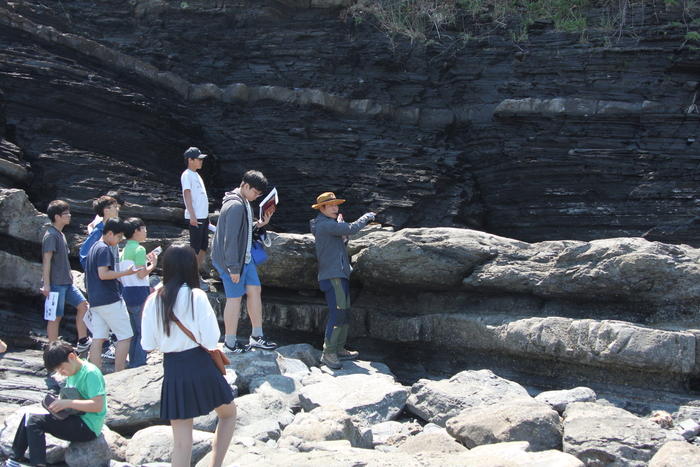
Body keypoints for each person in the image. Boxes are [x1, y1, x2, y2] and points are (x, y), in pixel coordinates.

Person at [141, 244, 237, 467]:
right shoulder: (197, 296)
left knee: (182, 443)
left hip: (173, 370)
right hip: (200, 364)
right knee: (228, 414)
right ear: (190, 267)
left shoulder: (153, 300)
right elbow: (211, 339)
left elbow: (147, 344)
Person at [4, 341, 106, 467]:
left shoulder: (90, 373)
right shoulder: (72, 371)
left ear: (72, 357)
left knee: (35, 422)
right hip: (75, 417)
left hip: (88, 426)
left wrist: (68, 403)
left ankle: (38, 464)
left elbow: (98, 405)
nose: (61, 373)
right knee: (28, 416)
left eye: (62, 369)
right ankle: (13, 460)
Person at [211, 171, 276, 353]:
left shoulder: (244, 202)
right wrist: (233, 268)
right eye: (255, 192)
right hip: (232, 261)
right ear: (246, 186)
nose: (256, 197)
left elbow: (243, 230)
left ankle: (257, 336)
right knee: (234, 298)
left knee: (255, 290)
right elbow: (229, 240)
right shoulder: (236, 205)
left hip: (244, 258)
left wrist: (260, 224)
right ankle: (230, 344)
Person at [310, 192, 375, 369]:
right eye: (330, 206)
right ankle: (328, 352)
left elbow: (337, 247)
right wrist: (366, 217)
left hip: (340, 274)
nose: (335, 208)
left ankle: (338, 348)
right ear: (321, 208)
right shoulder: (324, 224)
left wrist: (344, 240)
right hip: (332, 276)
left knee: (344, 312)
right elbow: (352, 228)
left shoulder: (328, 226)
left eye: (336, 205)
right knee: (338, 313)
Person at [84, 217, 137, 372]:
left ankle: (93, 374)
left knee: (98, 338)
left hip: (95, 301)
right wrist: (125, 273)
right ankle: (118, 374)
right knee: (125, 336)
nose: (119, 240)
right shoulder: (104, 249)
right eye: (119, 236)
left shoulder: (94, 247)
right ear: (109, 233)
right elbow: (103, 274)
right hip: (109, 300)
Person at [41, 200, 91, 351]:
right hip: (55, 283)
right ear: (56, 216)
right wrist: (47, 285)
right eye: (66, 213)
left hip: (67, 283)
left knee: (83, 306)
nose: (69, 216)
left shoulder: (60, 234)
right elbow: (46, 260)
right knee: (55, 317)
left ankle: (82, 341)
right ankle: (53, 351)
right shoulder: (50, 235)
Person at [119, 218, 158, 368]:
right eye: (144, 228)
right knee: (143, 331)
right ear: (136, 231)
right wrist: (152, 265)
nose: (146, 231)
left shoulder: (124, 250)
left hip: (127, 294)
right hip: (139, 294)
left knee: (134, 333)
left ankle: (134, 362)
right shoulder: (139, 249)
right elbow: (141, 275)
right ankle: (140, 363)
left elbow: (122, 277)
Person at [181, 147, 210, 290]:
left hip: (202, 217)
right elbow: (187, 195)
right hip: (196, 217)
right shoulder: (187, 175)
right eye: (198, 159)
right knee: (195, 248)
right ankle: (189, 277)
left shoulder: (197, 175)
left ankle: (195, 273)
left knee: (203, 246)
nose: (201, 161)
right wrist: (192, 215)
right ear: (190, 160)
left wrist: (206, 217)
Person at [79, 195, 120, 271]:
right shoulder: (98, 231)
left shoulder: (113, 230)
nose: (117, 209)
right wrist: (94, 273)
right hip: (102, 279)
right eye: (114, 207)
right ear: (106, 211)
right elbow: (84, 254)